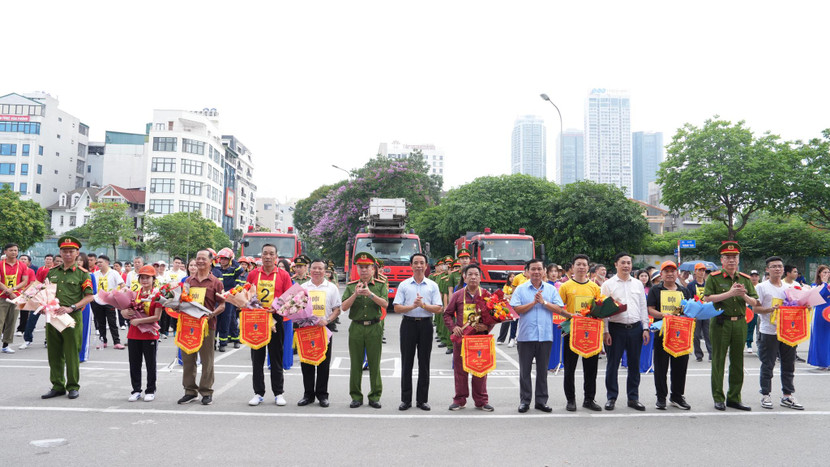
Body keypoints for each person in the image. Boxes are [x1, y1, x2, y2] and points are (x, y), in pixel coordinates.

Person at [704, 241, 759, 411]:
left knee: (737, 361)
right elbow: (707, 298)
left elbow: (755, 302)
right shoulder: (714, 278)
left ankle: (734, 397)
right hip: (721, 323)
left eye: (734, 257)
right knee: (718, 360)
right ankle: (718, 397)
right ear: (721, 260)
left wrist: (743, 296)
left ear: (738, 259)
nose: (731, 260)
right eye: (727, 257)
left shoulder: (745, 279)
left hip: (740, 322)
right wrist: (730, 293)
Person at [42, 236, 94, 399]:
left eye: (71, 251)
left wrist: (71, 307)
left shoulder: (82, 274)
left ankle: (73, 386)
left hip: (72, 318)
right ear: (60, 252)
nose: (68, 254)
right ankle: (57, 385)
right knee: (54, 352)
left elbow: (89, 297)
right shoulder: (52, 272)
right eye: (65, 251)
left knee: (72, 352)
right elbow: (45, 293)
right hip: (53, 318)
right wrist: (44, 306)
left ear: (77, 253)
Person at [510, 258, 565, 413]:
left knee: (542, 371)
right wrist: (533, 303)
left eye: (539, 269)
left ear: (544, 271)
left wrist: (543, 302)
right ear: (527, 271)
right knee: (524, 371)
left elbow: (559, 309)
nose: (536, 272)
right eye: (533, 269)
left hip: (545, 337)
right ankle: (525, 401)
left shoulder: (550, 289)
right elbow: (516, 309)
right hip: (526, 336)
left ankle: (541, 401)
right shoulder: (520, 289)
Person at [393, 253, 442, 411]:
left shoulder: (432, 285)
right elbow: (397, 307)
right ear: (411, 266)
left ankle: (422, 400)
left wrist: (423, 306)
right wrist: (413, 307)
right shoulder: (404, 285)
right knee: (407, 362)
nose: (419, 266)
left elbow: (439, 308)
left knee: (424, 363)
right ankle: (405, 400)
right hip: (408, 325)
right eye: (416, 263)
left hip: (426, 325)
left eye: (422, 263)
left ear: (427, 265)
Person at [601, 252, 650, 411]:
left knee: (634, 365)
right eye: (623, 262)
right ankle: (611, 397)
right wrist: (606, 331)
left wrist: (645, 328)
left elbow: (643, 307)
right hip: (615, 329)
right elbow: (603, 310)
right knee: (612, 364)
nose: (626, 265)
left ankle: (633, 397)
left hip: (635, 329)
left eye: (629, 262)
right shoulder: (608, 284)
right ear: (616, 264)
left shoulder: (638, 284)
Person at [246, 243, 293, 406]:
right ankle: (258, 392)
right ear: (261, 255)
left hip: (276, 319)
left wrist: (277, 308)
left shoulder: (284, 275)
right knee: (257, 358)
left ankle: (278, 392)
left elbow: (289, 297)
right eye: (265, 253)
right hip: (257, 319)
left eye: (271, 254)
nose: (267, 256)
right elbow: (247, 294)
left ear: (276, 256)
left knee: (276, 356)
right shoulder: (253, 274)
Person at [754, 256, 803, 410]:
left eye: (780, 266)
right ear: (767, 269)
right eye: (773, 266)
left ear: (783, 269)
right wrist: (771, 310)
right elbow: (755, 309)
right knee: (768, 364)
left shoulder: (792, 286)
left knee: (788, 364)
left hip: (788, 331)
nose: (777, 269)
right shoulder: (761, 287)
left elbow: (799, 305)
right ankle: (766, 395)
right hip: (769, 331)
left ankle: (787, 395)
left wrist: (805, 307)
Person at [444, 263, 495, 411]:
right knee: (460, 371)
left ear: (480, 277)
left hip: (480, 340)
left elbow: (494, 315)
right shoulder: (458, 295)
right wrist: (454, 328)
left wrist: (487, 327)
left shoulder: (486, 295)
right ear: (464, 277)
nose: (473, 277)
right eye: (470, 274)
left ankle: (481, 401)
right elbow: (447, 314)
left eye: (476, 274)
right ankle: (460, 400)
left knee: (481, 370)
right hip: (462, 339)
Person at [178, 249, 225, 406]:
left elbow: (223, 304)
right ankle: (189, 391)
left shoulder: (216, 282)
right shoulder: (188, 282)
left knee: (207, 359)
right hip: (188, 325)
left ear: (211, 261)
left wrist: (212, 314)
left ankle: (206, 391)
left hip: (206, 326)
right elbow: (183, 301)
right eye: (198, 258)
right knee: (188, 359)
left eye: (203, 258)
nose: (200, 261)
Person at [557, 254, 604, 412]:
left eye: (584, 264)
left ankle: (589, 399)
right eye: (578, 264)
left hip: (590, 332)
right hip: (572, 332)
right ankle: (571, 400)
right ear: (573, 267)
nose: (581, 267)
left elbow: (600, 308)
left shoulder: (595, 287)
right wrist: (568, 317)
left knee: (591, 369)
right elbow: (558, 307)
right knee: (569, 368)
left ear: (588, 267)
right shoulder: (565, 286)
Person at [342, 252, 388, 408]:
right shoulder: (350, 286)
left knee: (374, 364)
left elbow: (385, 304)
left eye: (367, 267)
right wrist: (355, 293)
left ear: (373, 268)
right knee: (355, 364)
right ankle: (356, 396)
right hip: (356, 327)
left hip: (374, 326)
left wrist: (370, 294)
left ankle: (375, 396)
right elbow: (344, 307)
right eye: (361, 267)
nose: (364, 270)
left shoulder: (380, 285)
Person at [646, 261, 694, 410]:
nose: (670, 273)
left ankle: (677, 396)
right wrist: (662, 315)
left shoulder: (684, 291)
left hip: (680, 333)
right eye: (666, 271)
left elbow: (689, 309)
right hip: (662, 332)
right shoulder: (655, 290)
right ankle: (661, 397)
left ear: (677, 273)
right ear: (661, 274)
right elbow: (650, 309)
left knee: (680, 365)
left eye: (672, 271)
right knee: (661, 366)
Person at [298, 259, 341, 407]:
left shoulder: (332, 288)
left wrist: (328, 320)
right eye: (314, 268)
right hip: (306, 330)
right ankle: (308, 394)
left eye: (320, 269)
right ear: (309, 270)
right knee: (307, 363)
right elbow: (295, 307)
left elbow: (337, 309)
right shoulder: (303, 287)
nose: (317, 271)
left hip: (324, 330)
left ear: (325, 271)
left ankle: (322, 395)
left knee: (323, 363)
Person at [121, 265, 163, 402]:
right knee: (134, 363)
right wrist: (126, 313)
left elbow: (157, 317)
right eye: (142, 277)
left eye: (147, 277)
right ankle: (136, 390)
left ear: (153, 279)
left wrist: (139, 320)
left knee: (150, 363)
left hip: (150, 334)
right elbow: (123, 310)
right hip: (133, 334)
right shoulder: (134, 294)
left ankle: (150, 390)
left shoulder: (158, 296)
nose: (144, 280)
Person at [212, 248, 244, 351]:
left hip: (229, 300)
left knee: (227, 321)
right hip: (218, 298)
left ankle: (223, 343)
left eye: (225, 259)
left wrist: (232, 258)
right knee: (216, 320)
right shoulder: (216, 271)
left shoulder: (232, 270)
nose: (223, 261)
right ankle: (213, 342)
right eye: (221, 258)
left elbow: (240, 270)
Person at [91, 255, 126, 350]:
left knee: (112, 322)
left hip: (110, 301)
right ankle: (103, 341)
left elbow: (122, 284)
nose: (98, 264)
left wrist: (120, 294)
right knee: (100, 322)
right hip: (97, 301)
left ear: (107, 262)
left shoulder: (114, 273)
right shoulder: (95, 274)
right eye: (97, 262)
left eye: (100, 262)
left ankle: (117, 342)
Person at [0, 243, 29, 353]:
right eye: (11, 250)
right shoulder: (0, 264)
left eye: (16, 250)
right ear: (5, 252)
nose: (14, 252)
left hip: (17, 297)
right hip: (2, 296)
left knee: (11, 321)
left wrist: (13, 289)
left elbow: (25, 281)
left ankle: (6, 345)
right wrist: (7, 290)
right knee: (0, 321)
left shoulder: (22, 265)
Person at [688, 263, 712, 362]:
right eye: (699, 270)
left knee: (708, 334)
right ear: (695, 272)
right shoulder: (691, 285)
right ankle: (699, 354)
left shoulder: (708, 284)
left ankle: (711, 353)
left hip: (706, 313)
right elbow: (689, 299)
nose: (701, 272)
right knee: (696, 335)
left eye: (703, 270)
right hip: (696, 314)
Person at [808, 265, 830, 370]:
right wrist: (824, 283)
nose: (827, 275)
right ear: (819, 274)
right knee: (821, 337)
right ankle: (822, 361)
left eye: (828, 273)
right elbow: (819, 296)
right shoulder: (815, 286)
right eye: (824, 272)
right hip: (820, 313)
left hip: (829, 312)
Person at [14, 254, 38, 338]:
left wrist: (23, 291)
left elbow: (32, 282)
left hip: (25, 294)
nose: (23, 260)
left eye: (25, 259)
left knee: (23, 312)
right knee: (10, 312)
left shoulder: (30, 271)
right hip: (13, 293)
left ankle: (21, 329)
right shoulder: (15, 269)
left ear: (29, 262)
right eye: (21, 259)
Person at [497, 272, 518, 345]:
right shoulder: (506, 286)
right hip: (507, 306)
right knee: (505, 322)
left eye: (513, 276)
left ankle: (512, 339)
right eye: (511, 277)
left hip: (515, 306)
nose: (512, 278)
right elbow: (504, 295)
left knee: (514, 323)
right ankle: (501, 339)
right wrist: (509, 296)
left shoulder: (518, 285)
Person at [745, 269, 761, 354]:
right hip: (750, 307)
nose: (754, 278)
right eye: (752, 276)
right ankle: (749, 344)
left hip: (760, 307)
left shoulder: (761, 286)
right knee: (750, 327)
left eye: (756, 276)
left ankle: (760, 345)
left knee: (760, 329)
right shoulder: (748, 286)